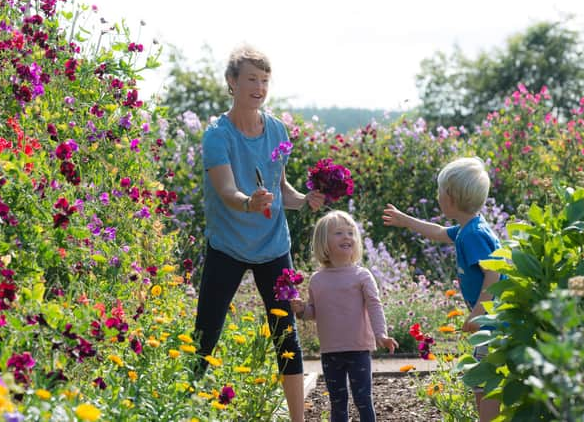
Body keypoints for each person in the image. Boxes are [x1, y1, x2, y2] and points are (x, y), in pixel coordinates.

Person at [192, 45, 324, 422]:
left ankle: (298, 419)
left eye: (264, 80)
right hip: (227, 246)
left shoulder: (277, 129)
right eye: (251, 79)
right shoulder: (218, 135)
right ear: (232, 82)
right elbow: (227, 190)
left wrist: (305, 200)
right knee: (206, 333)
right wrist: (249, 202)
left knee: (286, 334)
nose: (259, 87)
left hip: (273, 247)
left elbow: (282, 190)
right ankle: (181, 408)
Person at [382, 157, 501, 422]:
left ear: (451, 197)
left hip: (493, 326)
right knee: (482, 381)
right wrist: (405, 220)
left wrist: (479, 313)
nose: (438, 197)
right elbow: (437, 232)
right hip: (489, 323)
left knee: (488, 382)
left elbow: (494, 271)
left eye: (440, 191)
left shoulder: (473, 235)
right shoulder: (467, 228)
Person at [290, 210, 398, 422]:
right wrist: (301, 310)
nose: (347, 237)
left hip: (359, 349)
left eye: (350, 232)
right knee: (337, 402)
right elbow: (314, 312)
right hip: (331, 352)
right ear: (324, 242)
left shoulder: (361, 276)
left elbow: (375, 306)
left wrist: (381, 335)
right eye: (339, 233)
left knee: (363, 400)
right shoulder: (317, 280)